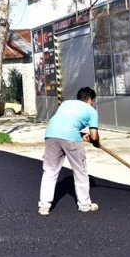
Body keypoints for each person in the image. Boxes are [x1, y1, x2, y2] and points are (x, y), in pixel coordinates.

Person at [38, 86, 101, 216]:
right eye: (93, 101)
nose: (93, 103)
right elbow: (94, 136)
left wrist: (81, 133)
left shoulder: (66, 104)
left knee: (50, 171)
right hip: (71, 138)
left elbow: (65, 123)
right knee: (80, 171)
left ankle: (44, 206)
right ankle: (84, 205)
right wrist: (96, 142)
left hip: (51, 134)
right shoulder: (91, 110)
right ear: (90, 99)